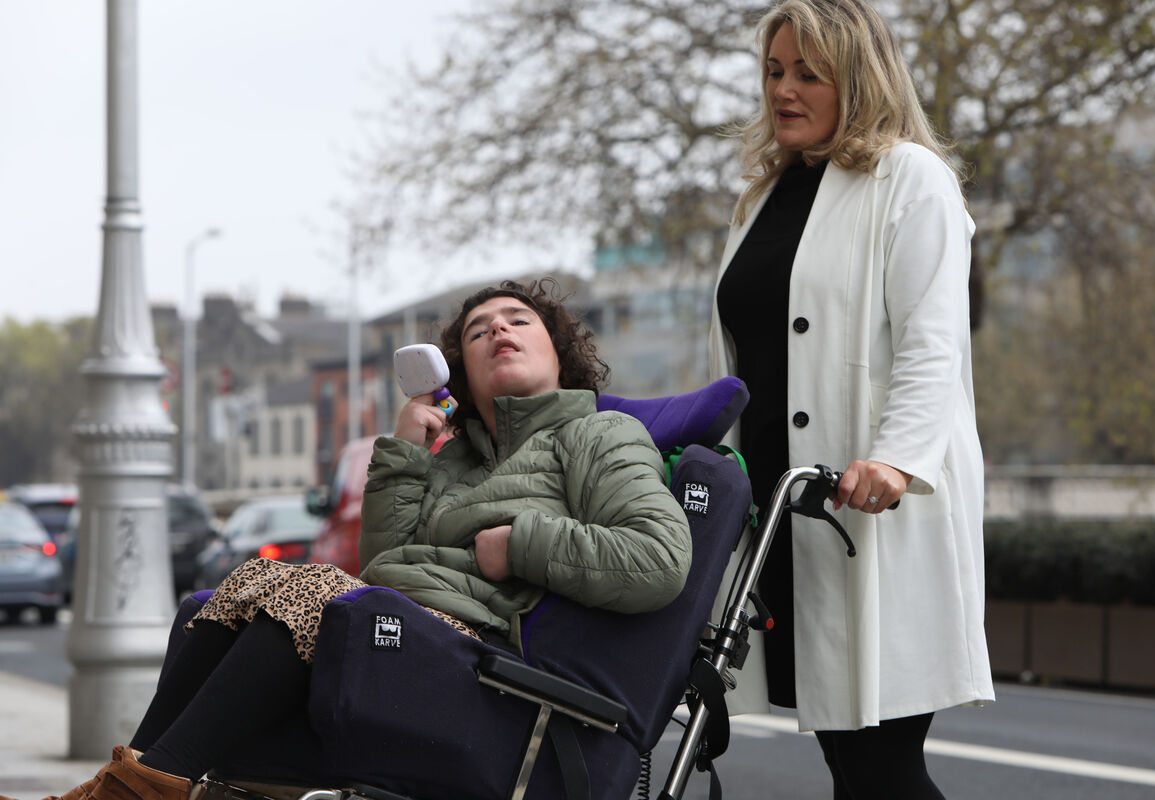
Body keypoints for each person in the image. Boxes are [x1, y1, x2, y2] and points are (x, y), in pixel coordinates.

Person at [22, 278, 691, 800]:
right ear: (458, 372)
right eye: (480, 330)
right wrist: (404, 451)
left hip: (486, 661)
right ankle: (137, 783)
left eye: (519, 322)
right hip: (404, 631)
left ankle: (135, 791)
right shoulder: (453, 457)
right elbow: (385, 564)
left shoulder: (600, 435)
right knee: (243, 584)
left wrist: (518, 544)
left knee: (314, 588)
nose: (499, 332)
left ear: (560, 352)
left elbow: (659, 559)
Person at [708, 1, 994, 797]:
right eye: (773, 71)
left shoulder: (910, 178)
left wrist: (897, 462)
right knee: (849, 758)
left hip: (870, 509)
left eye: (808, 73)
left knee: (882, 764)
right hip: (783, 512)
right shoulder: (764, 196)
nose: (783, 91)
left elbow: (934, 344)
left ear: (859, 78)